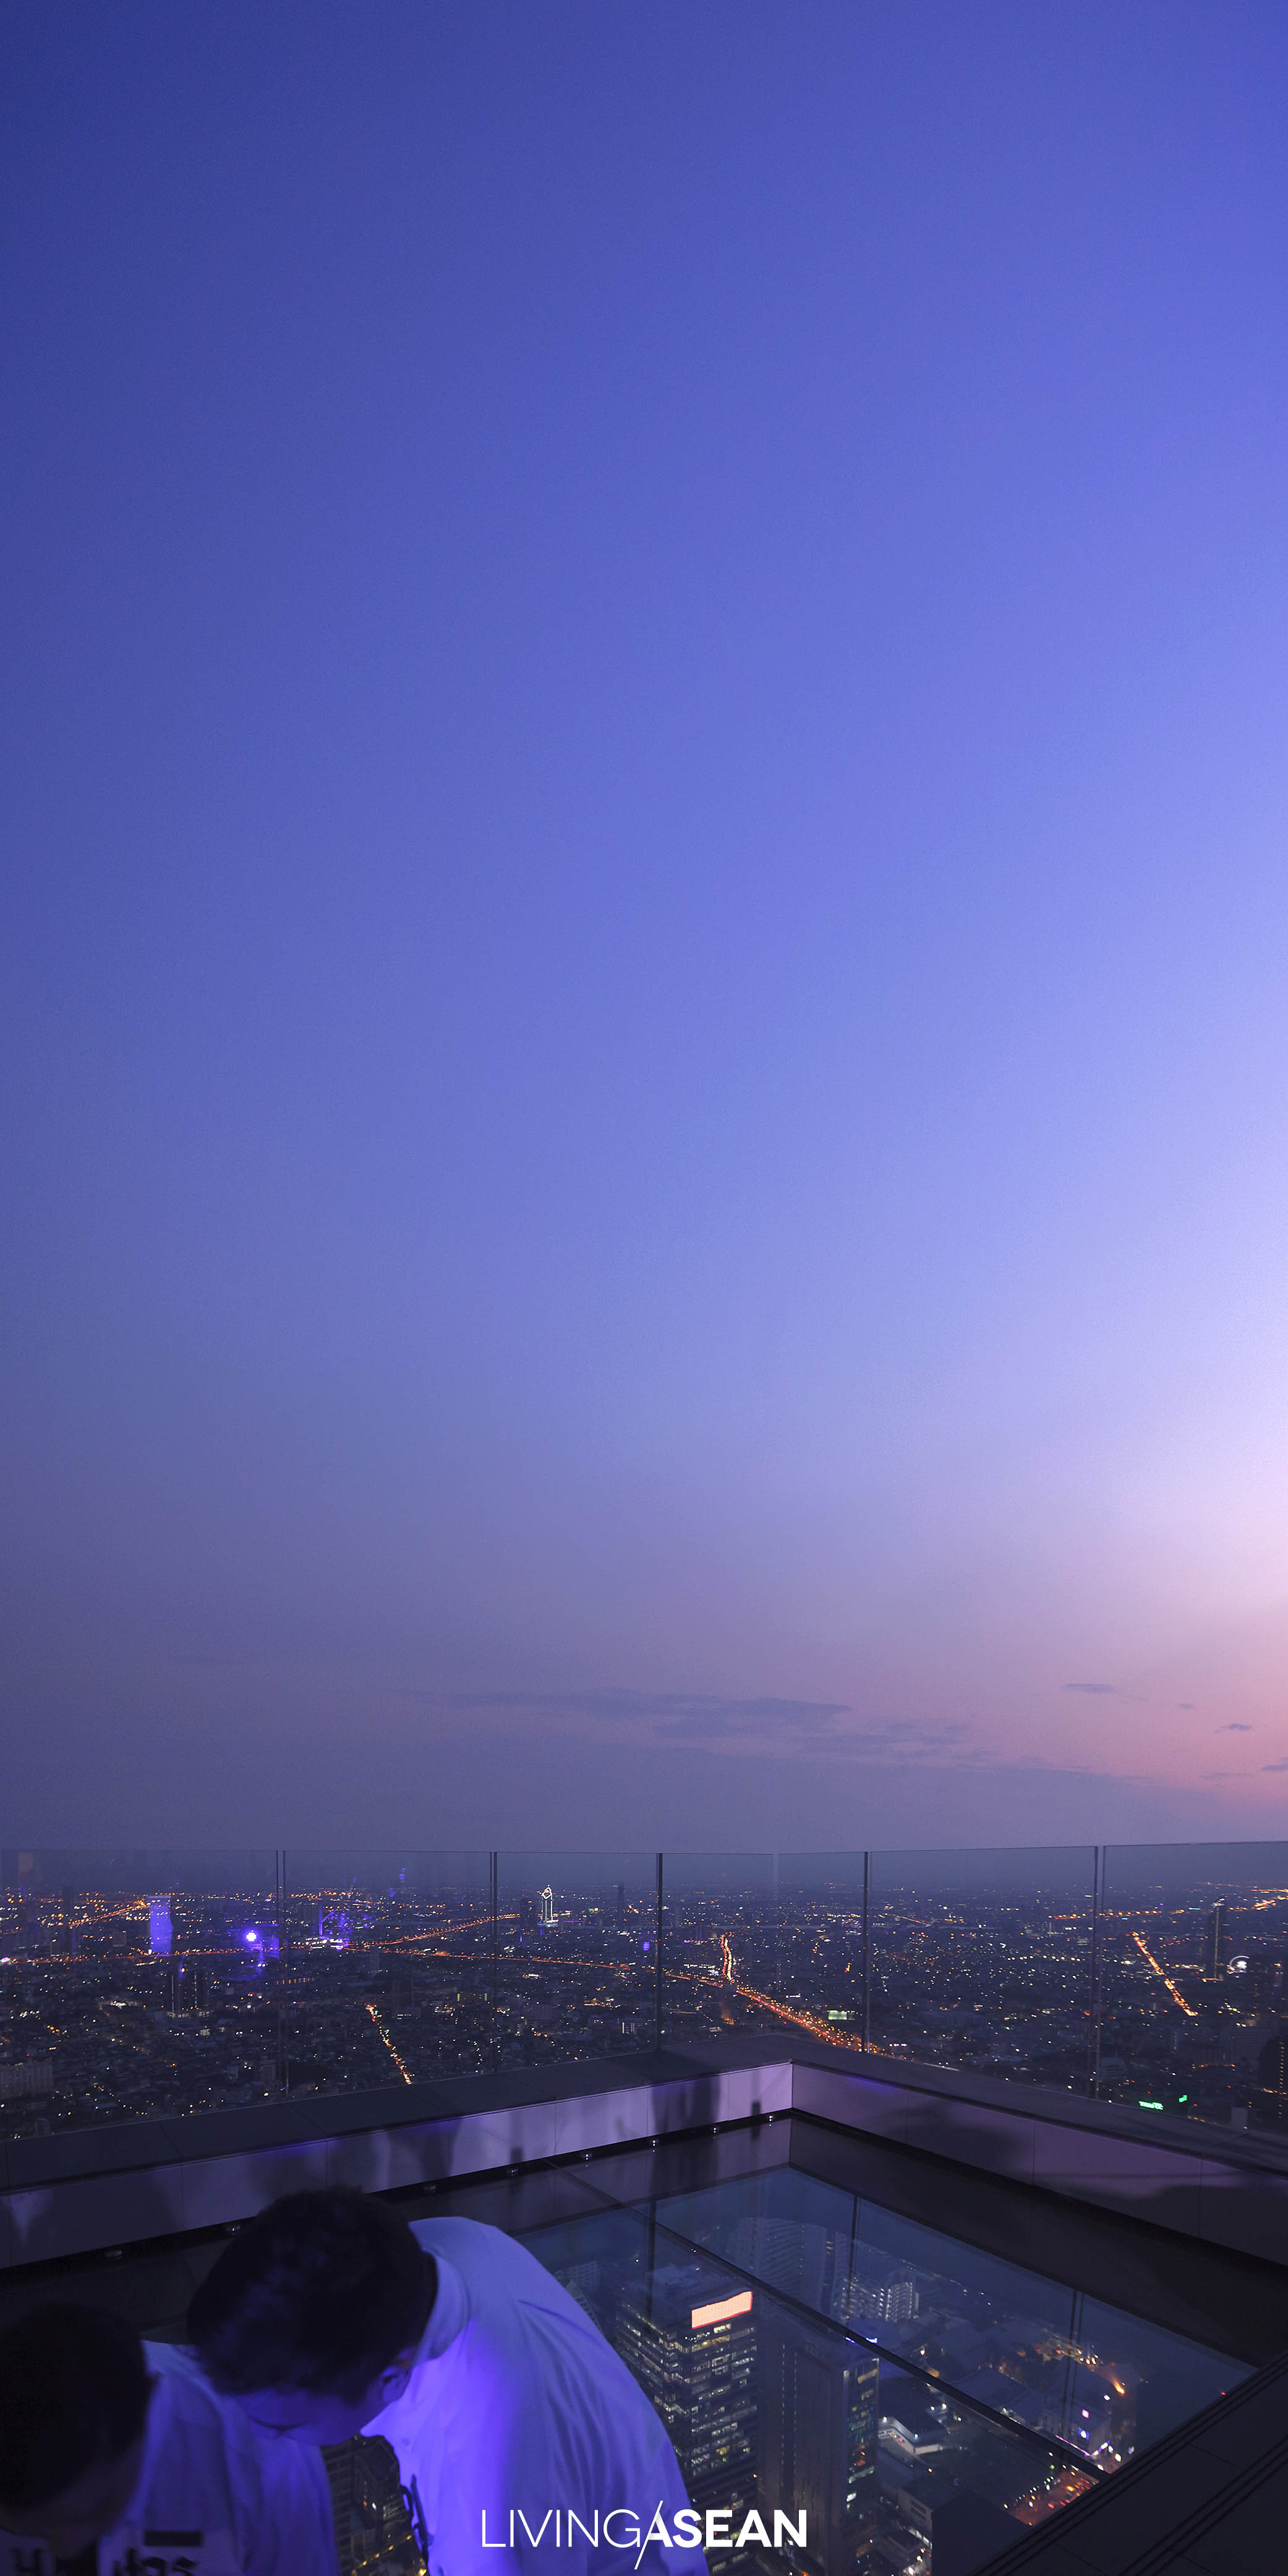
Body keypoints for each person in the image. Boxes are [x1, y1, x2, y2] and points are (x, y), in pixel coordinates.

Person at [187, 2189, 707, 2576]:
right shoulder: (433, 2250)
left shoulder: (486, 2506)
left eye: (284, 2425)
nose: (261, 2434)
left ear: (390, 2377)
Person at [0, 2300, 336, 2576]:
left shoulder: (265, 2464)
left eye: (95, 2509)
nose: (67, 2548)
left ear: (148, 2406)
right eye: (29, 2528)